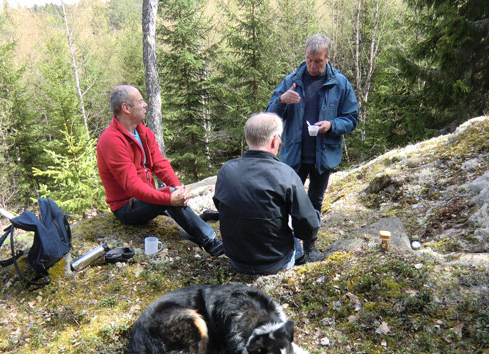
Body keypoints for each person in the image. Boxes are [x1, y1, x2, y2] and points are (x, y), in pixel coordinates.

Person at [97, 85, 223, 256]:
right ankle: (211, 243)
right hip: (127, 207)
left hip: (147, 198)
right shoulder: (111, 140)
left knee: (174, 198)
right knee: (169, 198)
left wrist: (178, 187)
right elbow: (132, 186)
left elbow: (160, 164)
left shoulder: (143, 132)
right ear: (126, 108)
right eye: (140, 101)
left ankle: (200, 221)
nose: (145, 105)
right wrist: (168, 197)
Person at [267, 33, 358, 260]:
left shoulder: (340, 83)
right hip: (293, 155)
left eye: (318, 61)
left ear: (328, 58)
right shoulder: (291, 81)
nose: (312, 65)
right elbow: (269, 114)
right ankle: (287, 245)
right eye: (309, 59)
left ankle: (310, 246)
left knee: (314, 201)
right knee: (286, 201)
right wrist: (281, 101)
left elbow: (351, 118)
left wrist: (332, 125)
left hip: (323, 156)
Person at [213, 112, 321, 275]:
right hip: (274, 262)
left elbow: (220, 205)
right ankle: (298, 261)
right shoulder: (286, 173)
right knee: (297, 222)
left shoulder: (226, 170)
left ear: (248, 138)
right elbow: (308, 227)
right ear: (275, 140)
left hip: (236, 259)